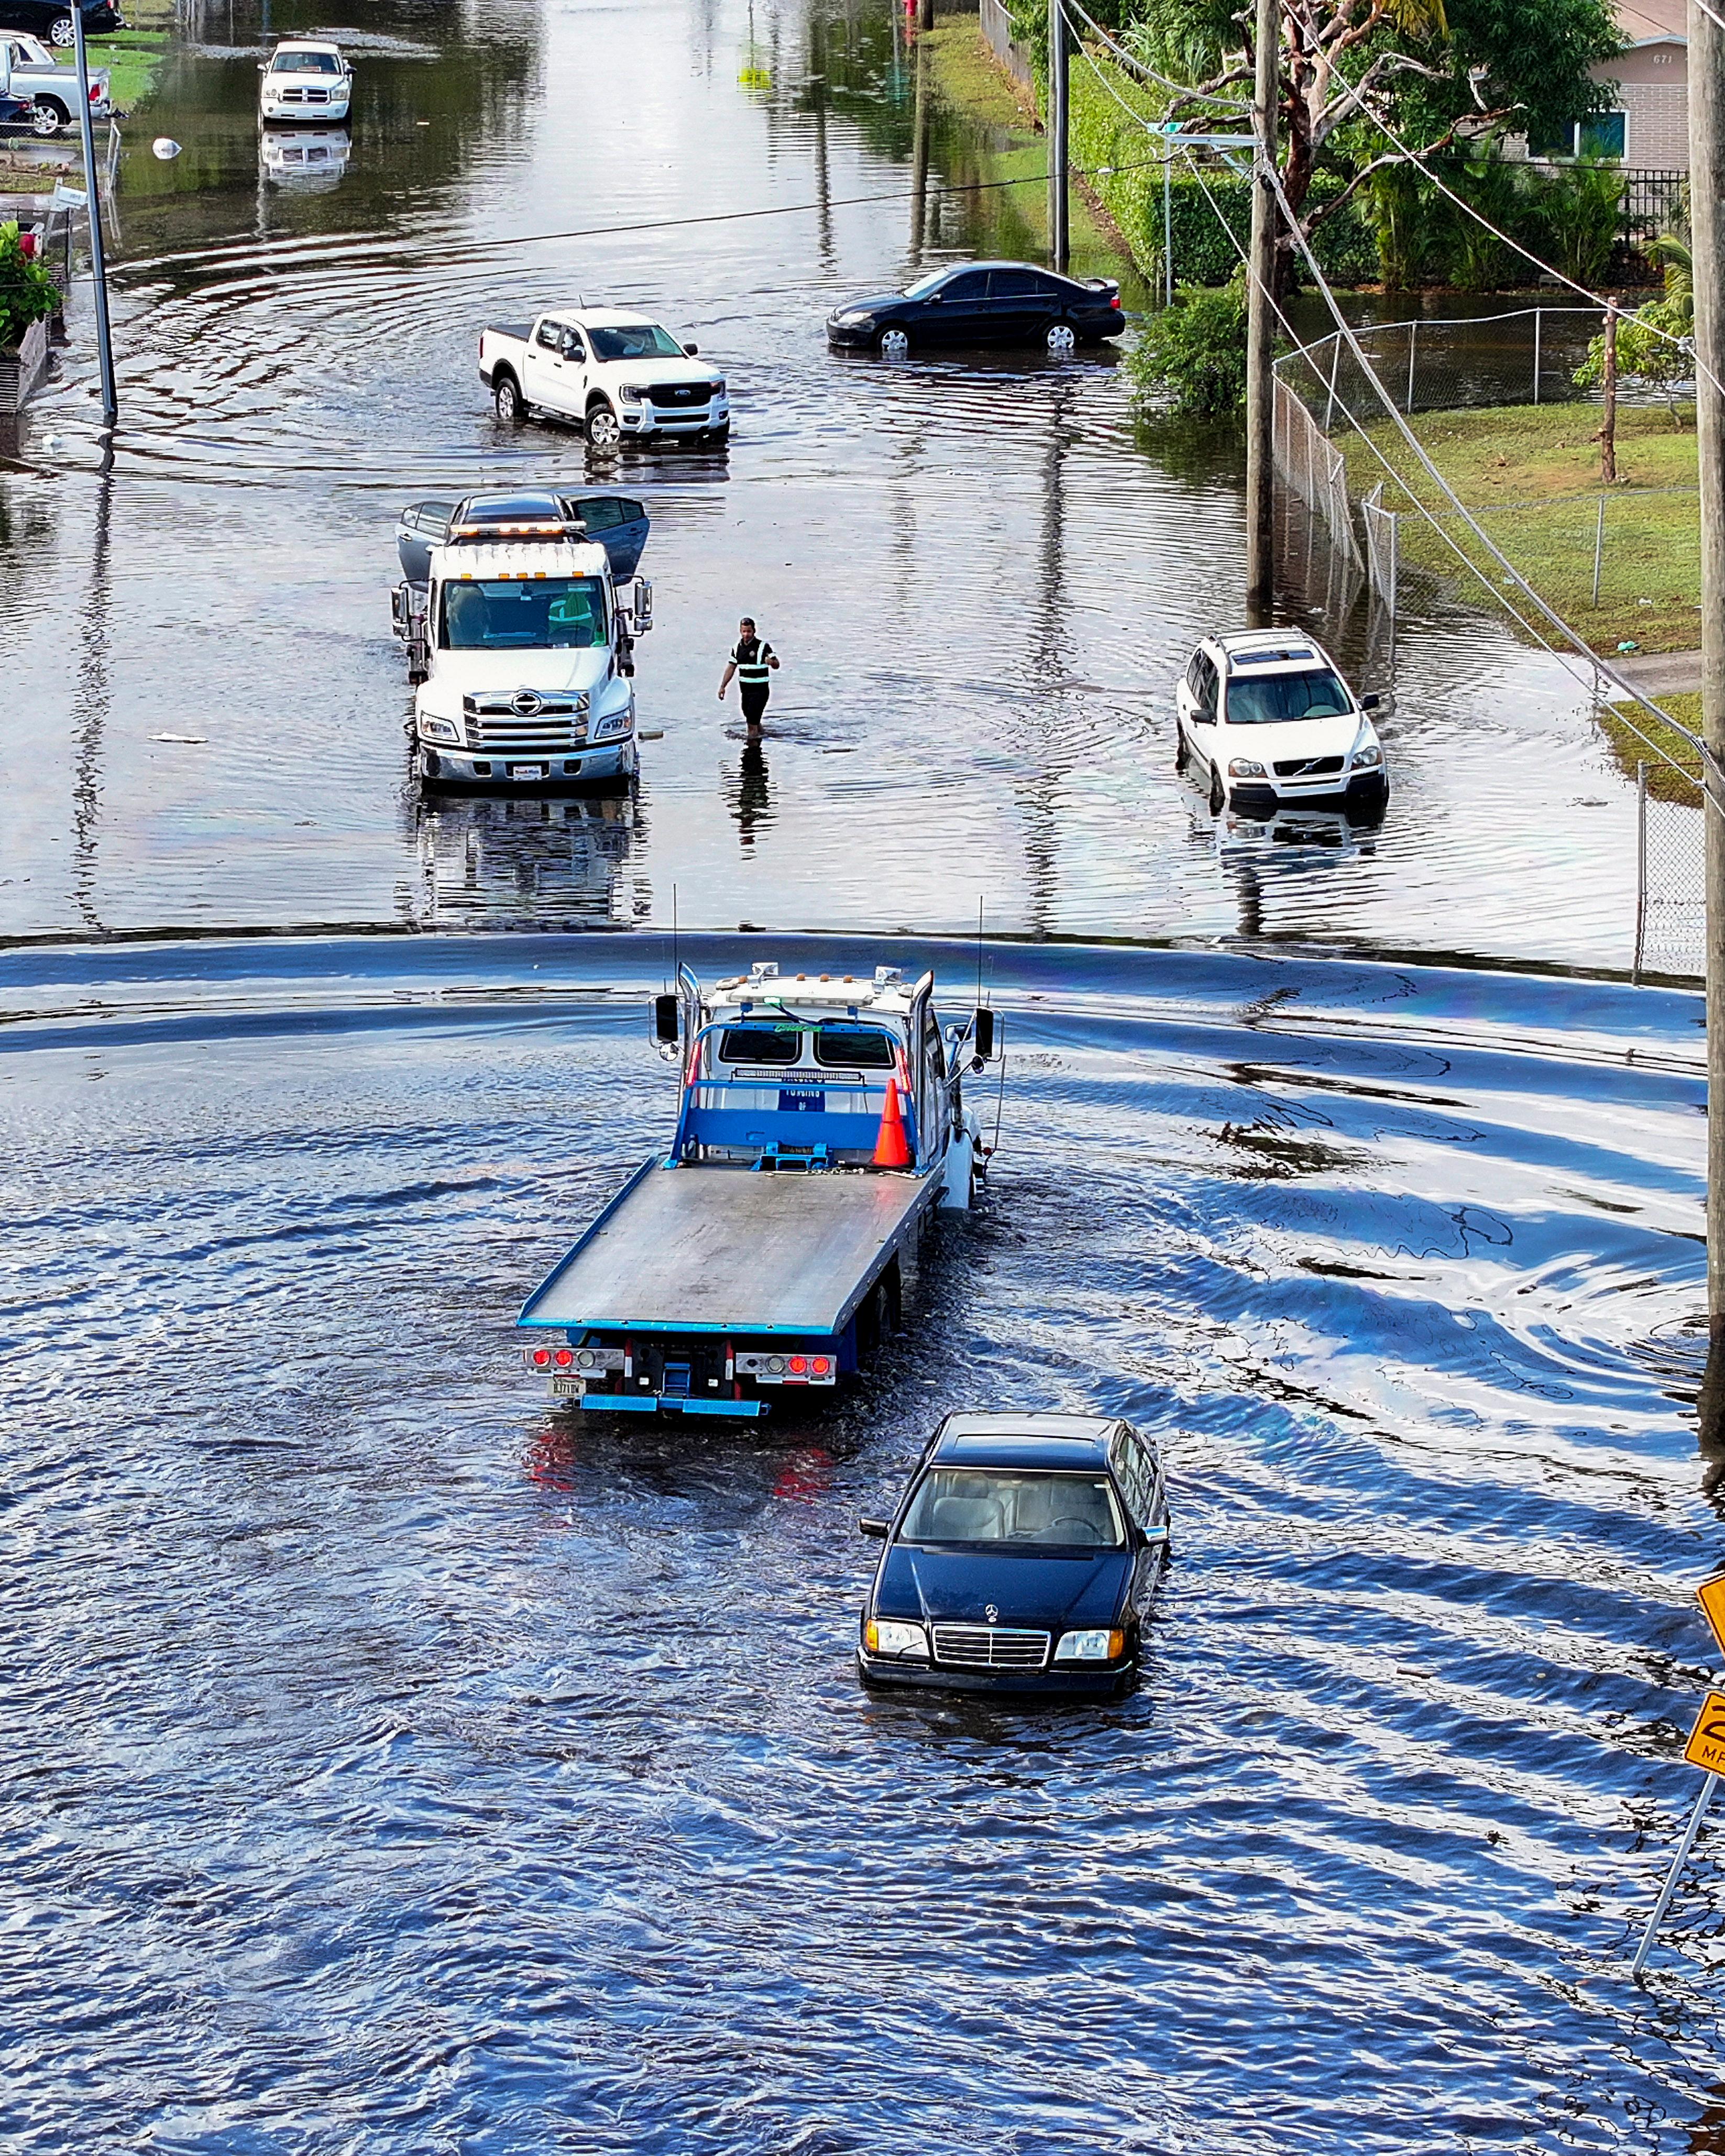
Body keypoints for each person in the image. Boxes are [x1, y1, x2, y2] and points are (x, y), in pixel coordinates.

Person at [718, 617, 780, 729]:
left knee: (752, 723)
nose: (746, 634)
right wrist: (723, 687)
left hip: (760, 692)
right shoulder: (737, 648)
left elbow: (777, 665)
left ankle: (752, 744)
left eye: (749, 631)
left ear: (754, 631)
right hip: (746, 692)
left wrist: (771, 662)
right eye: (744, 631)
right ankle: (760, 738)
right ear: (740, 631)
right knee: (752, 720)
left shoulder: (763, 647)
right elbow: (731, 668)